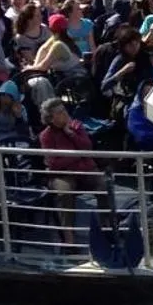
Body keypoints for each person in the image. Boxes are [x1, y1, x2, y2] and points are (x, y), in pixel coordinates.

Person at [38, 98, 99, 237]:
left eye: (64, 110)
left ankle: (106, 227)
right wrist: (77, 155)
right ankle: (69, 237)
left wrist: (71, 134)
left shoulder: (76, 126)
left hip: (84, 169)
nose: (65, 113)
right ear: (51, 118)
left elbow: (87, 147)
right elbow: (54, 163)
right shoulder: (45, 136)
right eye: (60, 112)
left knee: (104, 185)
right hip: (62, 174)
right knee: (65, 193)